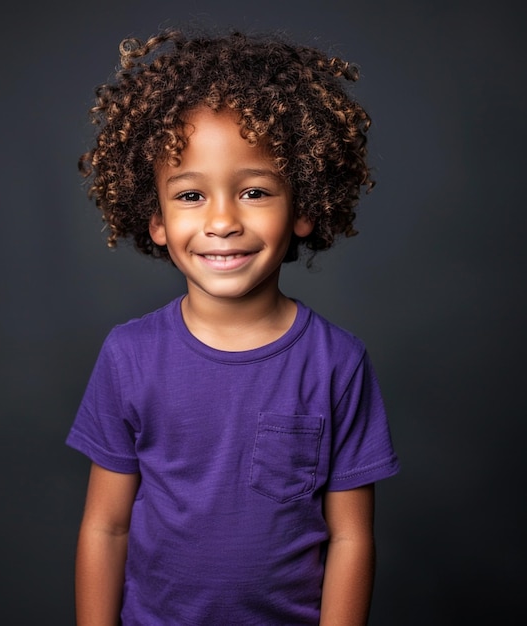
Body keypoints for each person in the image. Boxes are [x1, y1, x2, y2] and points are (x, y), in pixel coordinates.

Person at [66, 28, 399, 626]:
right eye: (191, 195)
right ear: (157, 220)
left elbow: (350, 539)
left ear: (301, 209)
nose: (222, 221)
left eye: (253, 191)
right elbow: (106, 525)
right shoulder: (129, 355)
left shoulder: (338, 362)